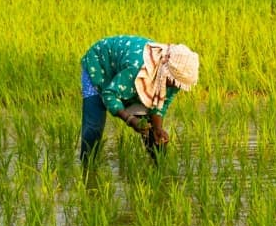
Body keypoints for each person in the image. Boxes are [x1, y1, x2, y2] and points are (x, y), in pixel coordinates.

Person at [79, 35, 199, 166]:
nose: (176, 87)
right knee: (93, 126)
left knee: (152, 131)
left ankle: (158, 169)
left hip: (126, 76)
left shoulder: (174, 80)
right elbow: (109, 94)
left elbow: (160, 104)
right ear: (165, 72)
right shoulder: (137, 70)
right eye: (174, 83)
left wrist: (158, 128)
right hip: (98, 65)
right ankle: (87, 168)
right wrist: (130, 119)